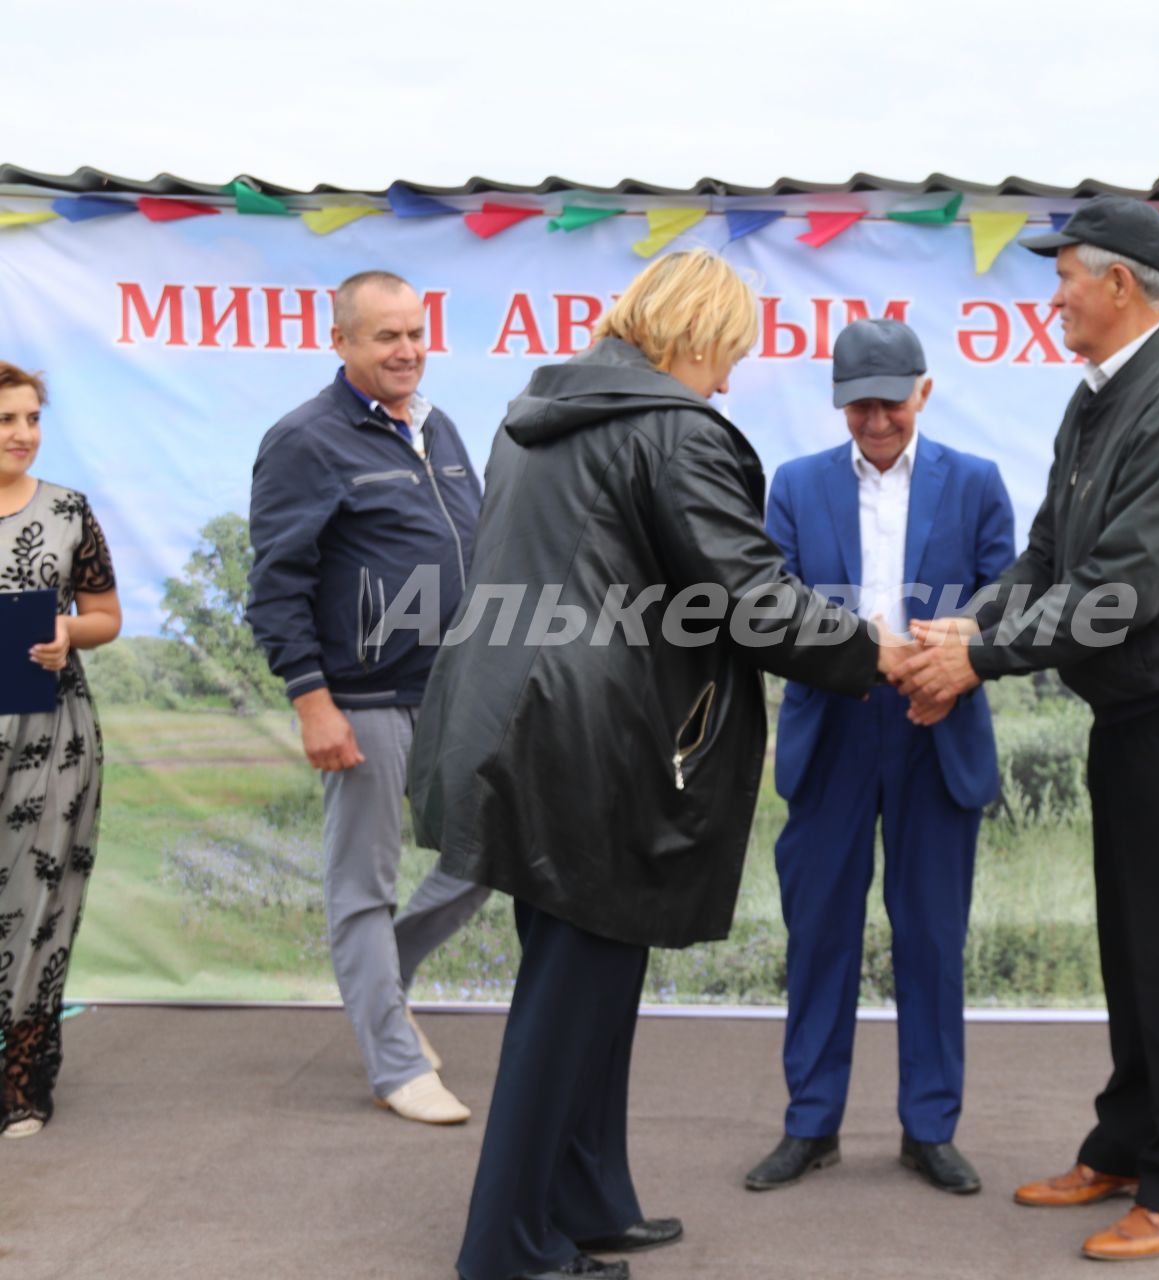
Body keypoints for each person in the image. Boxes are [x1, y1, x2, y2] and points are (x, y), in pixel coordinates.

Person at [407, 249, 907, 1280]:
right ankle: (506, 1245)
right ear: (687, 336)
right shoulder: (674, 430)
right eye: (725, 355)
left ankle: (590, 1195)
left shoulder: (535, 415)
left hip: (514, 727)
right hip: (592, 742)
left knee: (591, 978)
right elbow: (750, 595)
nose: (726, 380)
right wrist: (880, 652)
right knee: (568, 995)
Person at [893, 195, 1159, 1262]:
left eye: (1064, 273)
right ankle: (1125, 1143)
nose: (1052, 291)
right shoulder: (1101, 395)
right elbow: (1049, 559)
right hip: (1139, 710)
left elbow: (1117, 594)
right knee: (1138, 947)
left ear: (1119, 284)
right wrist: (968, 626)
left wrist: (973, 659)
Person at [744, 319, 1016, 1196]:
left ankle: (929, 1128)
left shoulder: (976, 485)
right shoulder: (793, 486)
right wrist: (864, 652)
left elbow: (1005, 605)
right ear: (838, 404)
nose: (877, 420)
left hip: (937, 730)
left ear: (924, 392)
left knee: (932, 937)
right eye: (859, 404)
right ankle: (810, 1124)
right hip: (832, 730)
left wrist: (956, 670)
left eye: (891, 401)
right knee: (820, 932)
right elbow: (774, 614)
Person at [245, 270, 490, 1125]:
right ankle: (394, 1064)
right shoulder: (304, 440)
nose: (407, 350)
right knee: (363, 886)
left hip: (453, 691)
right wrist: (314, 701)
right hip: (363, 697)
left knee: (483, 855)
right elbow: (276, 584)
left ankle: (384, 981)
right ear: (342, 342)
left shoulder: (440, 427)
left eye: (416, 332)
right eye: (386, 336)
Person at [0, 363, 121, 1139]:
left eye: (31, 418)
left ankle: (21, 1083)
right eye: (6, 419)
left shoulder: (70, 510)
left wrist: (66, 632)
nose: (22, 434)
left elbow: (105, 614)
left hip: (52, 737)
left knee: (39, 906)